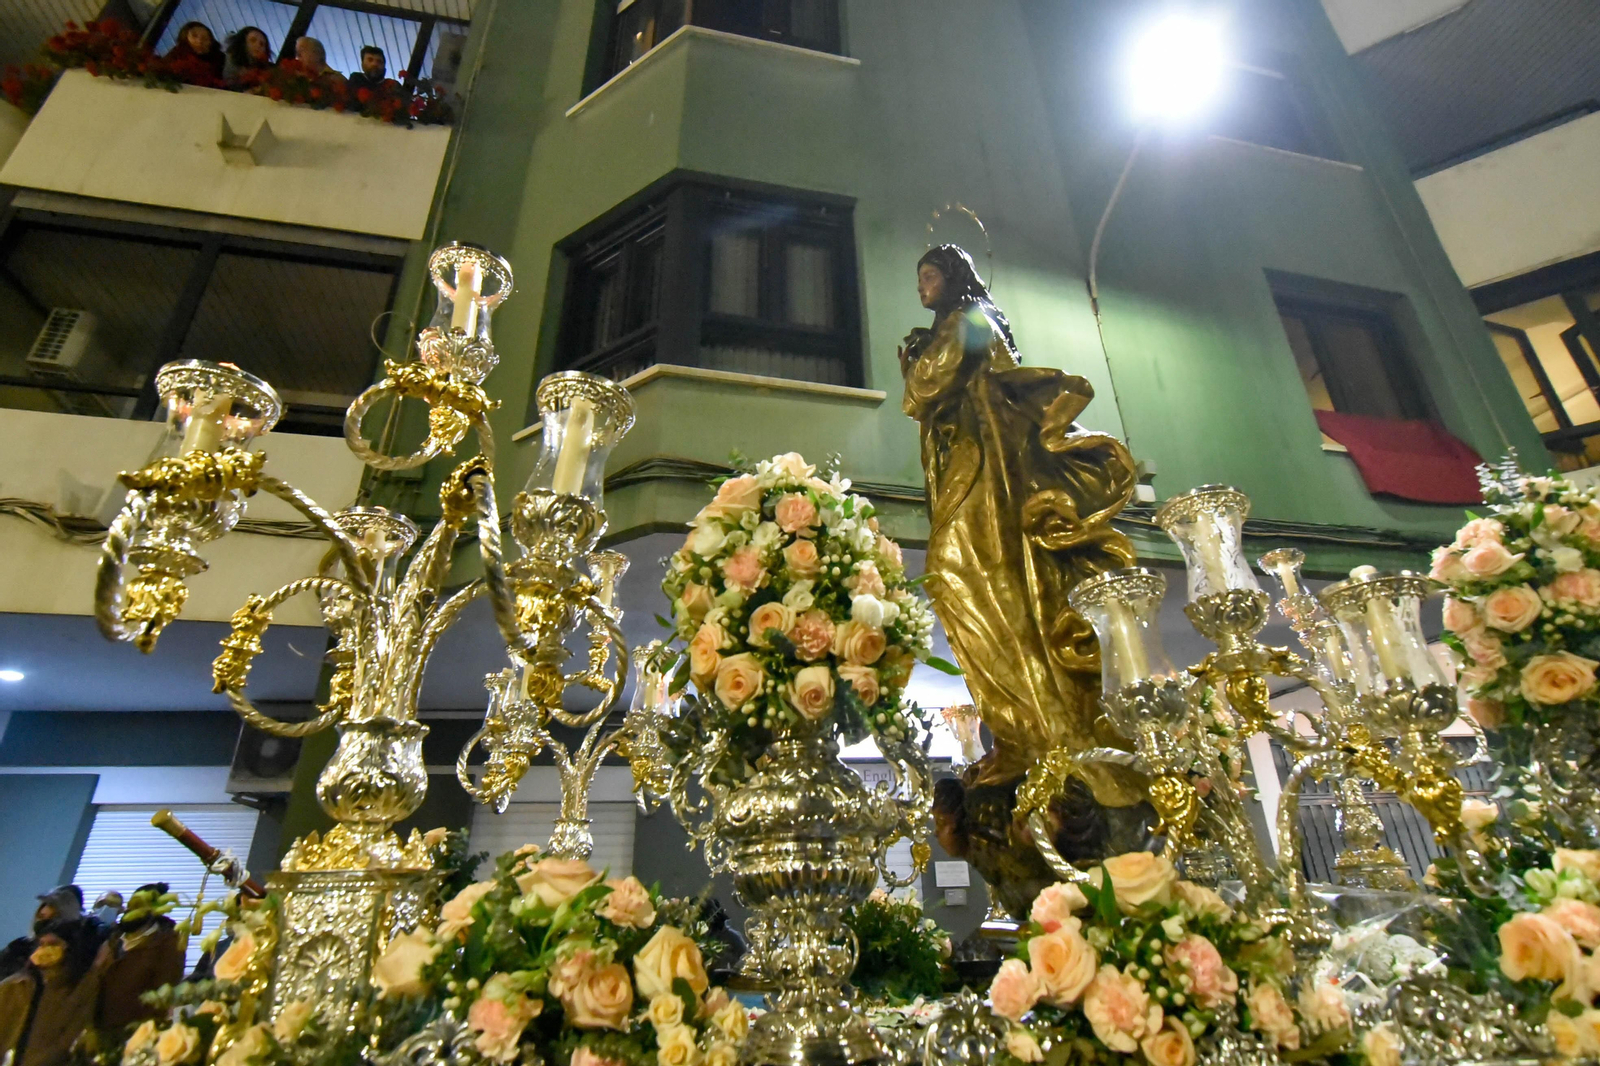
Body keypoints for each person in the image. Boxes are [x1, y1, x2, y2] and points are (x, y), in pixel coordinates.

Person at [0, 921, 103, 1066]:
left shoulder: (82, 985)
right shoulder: (16, 985)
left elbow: (70, 1038)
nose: (45, 950)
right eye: (41, 944)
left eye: (53, 944)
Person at [94, 884, 184, 1032]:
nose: (132, 910)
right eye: (132, 904)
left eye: (140, 905)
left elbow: (163, 993)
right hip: (99, 1030)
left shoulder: (167, 945)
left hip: (135, 1034)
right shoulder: (112, 940)